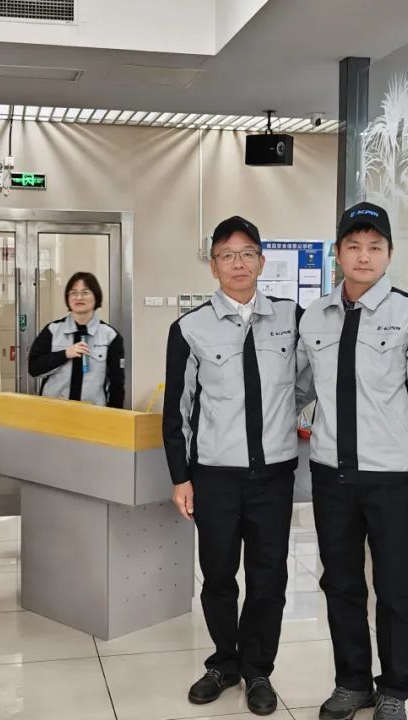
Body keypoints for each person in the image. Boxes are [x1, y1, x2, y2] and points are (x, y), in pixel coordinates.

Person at [296, 202, 408, 720]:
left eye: (374, 247)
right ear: (338, 252)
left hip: (393, 480)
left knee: (396, 589)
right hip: (331, 476)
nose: (363, 256)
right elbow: (296, 388)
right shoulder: (313, 316)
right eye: (353, 246)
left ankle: (395, 690)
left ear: (388, 254)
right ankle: (352, 682)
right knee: (340, 583)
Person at [162, 216, 301, 716]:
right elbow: (176, 410)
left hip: (274, 475)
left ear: (261, 261)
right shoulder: (189, 328)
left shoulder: (292, 317)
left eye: (246, 254)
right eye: (226, 255)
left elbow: (307, 381)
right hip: (215, 476)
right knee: (218, 574)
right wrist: (181, 477)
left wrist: (280, 415)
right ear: (214, 266)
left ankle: (258, 669)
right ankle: (224, 662)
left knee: (269, 577)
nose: (237, 264)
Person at [27, 271, 125, 408]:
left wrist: (114, 417)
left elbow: (117, 384)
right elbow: (34, 369)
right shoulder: (52, 330)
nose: (79, 297)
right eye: (73, 293)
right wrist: (65, 354)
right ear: (68, 298)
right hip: (54, 410)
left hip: (93, 412)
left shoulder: (110, 335)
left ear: (96, 296)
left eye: (85, 292)